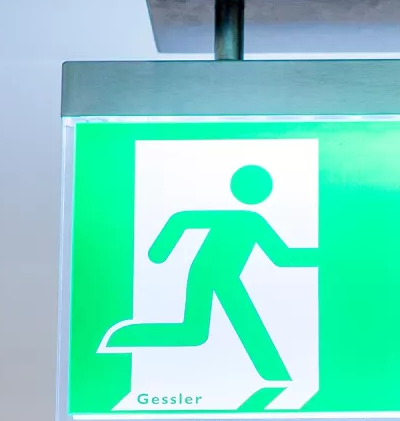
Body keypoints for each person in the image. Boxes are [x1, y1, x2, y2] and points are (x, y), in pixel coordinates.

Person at [104, 164, 316, 383]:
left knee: (194, 332)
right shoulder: (250, 220)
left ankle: (126, 337)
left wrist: (324, 255)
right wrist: (159, 251)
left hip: (221, 276)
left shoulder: (253, 221)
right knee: (202, 330)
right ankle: (276, 375)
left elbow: (281, 256)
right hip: (207, 274)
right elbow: (182, 219)